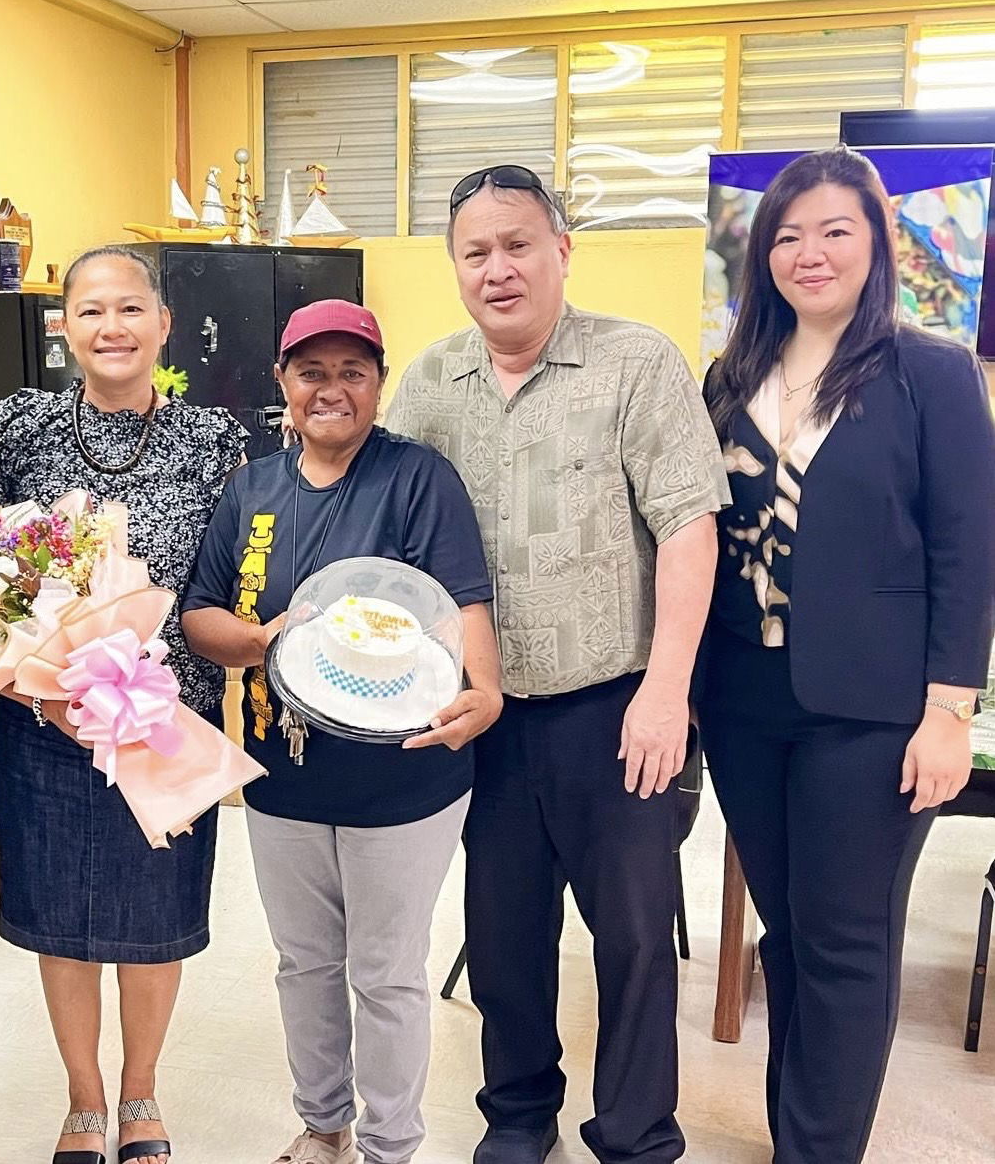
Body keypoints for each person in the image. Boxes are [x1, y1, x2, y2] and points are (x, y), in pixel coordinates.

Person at [384, 166, 730, 1164]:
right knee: (502, 937)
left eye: (517, 244)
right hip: (483, 712)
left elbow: (687, 528)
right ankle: (517, 1113)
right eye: (474, 251)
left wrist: (665, 692)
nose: (497, 269)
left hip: (613, 706)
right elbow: (392, 536)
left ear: (560, 249)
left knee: (628, 940)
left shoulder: (633, 362)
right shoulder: (429, 382)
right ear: (455, 265)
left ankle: (632, 1132)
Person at [696, 146, 995, 1163]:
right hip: (741, 696)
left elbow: (966, 546)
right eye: (785, 234)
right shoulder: (728, 374)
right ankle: (799, 1136)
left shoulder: (932, 373)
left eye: (834, 230)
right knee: (785, 935)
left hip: (870, 708)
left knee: (843, 944)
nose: (807, 252)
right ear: (758, 252)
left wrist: (947, 707)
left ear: (877, 241)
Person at [180, 299, 502, 1164]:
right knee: (305, 963)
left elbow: (464, 598)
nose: (332, 389)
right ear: (282, 381)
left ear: (378, 383)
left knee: (388, 972)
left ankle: (390, 1145)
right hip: (280, 771)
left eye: (352, 371)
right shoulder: (251, 487)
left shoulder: (417, 477)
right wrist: (259, 641)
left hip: (404, 777)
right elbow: (199, 614)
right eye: (311, 372)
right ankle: (323, 1127)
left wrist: (489, 689)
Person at [0, 243, 246, 1164]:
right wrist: (35, 680)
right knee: (62, 915)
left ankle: (141, 1092)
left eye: (130, 309)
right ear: (65, 328)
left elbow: (225, 579)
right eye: (90, 310)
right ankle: (83, 1100)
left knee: (152, 915)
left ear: (163, 324)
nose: (111, 327)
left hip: (169, 717)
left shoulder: (214, 442)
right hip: (44, 720)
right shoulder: (20, 430)